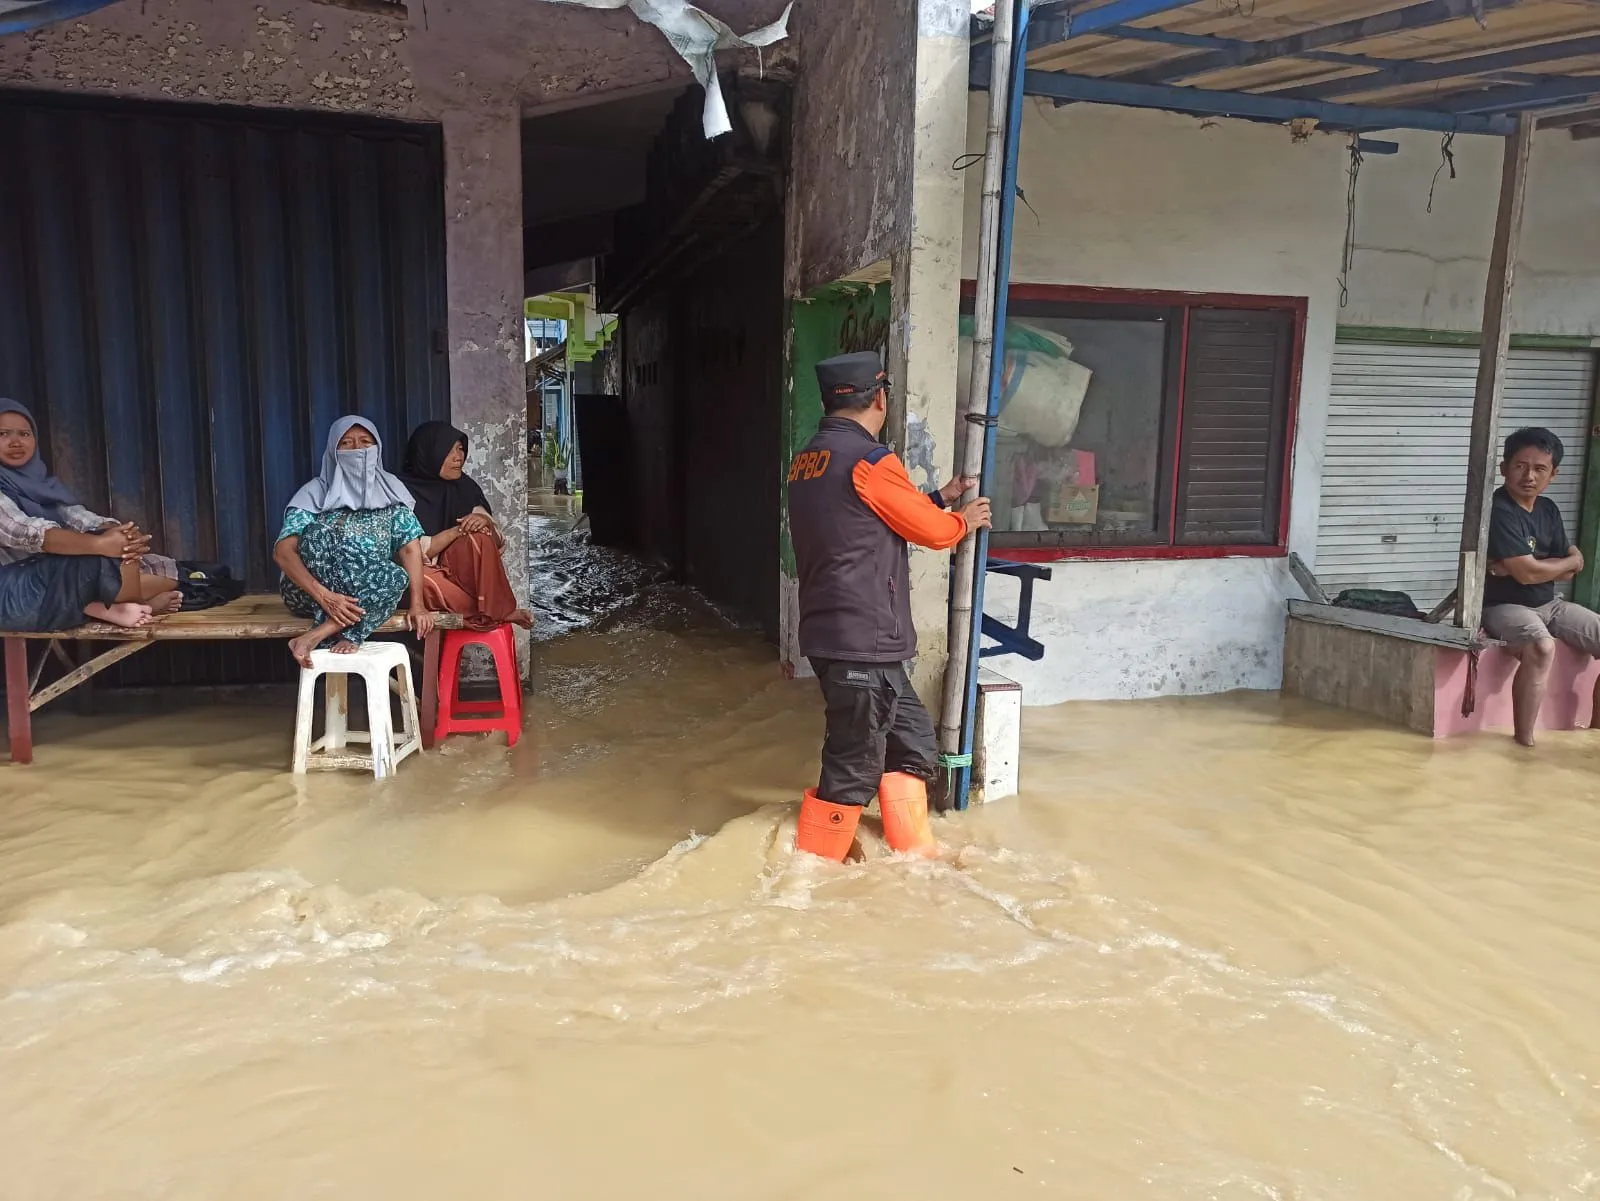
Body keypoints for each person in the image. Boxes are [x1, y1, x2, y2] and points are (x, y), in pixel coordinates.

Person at [786, 351, 992, 861]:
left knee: (913, 742)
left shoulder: (809, 459)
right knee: (853, 765)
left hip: (839, 634)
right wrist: (962, 519)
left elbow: (866, 515)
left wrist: (938, 497)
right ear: (879, 398)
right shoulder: (870, 460)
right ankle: (811, 876)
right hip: (863, 637)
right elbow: (934, 533)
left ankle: (913, 859)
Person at [0, 401, 179, 631]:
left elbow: (77, 516)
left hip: (47, 586)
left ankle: (108, 606)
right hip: (11, 596)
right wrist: (100, 544)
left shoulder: (40, 484)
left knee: (160, 565)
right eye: (3, 434)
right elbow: (27, 532)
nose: (16, 442)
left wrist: (120, 535)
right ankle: (118, 606)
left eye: (24, 434)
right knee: (91, 560)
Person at [274, 416, 435, 667]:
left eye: (365, 442)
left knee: (396, 577)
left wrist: (418, 604)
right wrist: (326, 596)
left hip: (365, 593)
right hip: (311, 594)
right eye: (346, 443)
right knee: (318, 534)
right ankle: (343, 627)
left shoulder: (391, 491)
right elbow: (283, 552)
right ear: (333, 451)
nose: (357, 449)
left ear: (377, 448)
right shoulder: (315, 492)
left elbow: (409, 550)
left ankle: (319, 633)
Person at [1481, 426, 1600, 747]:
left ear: (1553, 474)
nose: (1529, 476)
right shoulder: (1499, 510)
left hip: (1550, 603)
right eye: (1520, 466)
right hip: (1502, 606)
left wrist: (1553, 565)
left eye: (1539, 469)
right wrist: (1565, 561)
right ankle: (1524, 744)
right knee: (1541, 647)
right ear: (1504, 468)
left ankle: (1595, 736)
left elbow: (1567, 572)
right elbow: (1529, 574)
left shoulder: (1548, 509)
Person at [399, 420, 532, 631]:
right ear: (428, 453)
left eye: (460, 448)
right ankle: (498, 614)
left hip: (458, 574)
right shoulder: (398, 491)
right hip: (419, 572)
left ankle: (492, 612)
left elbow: (497, 542)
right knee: (421, 579)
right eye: (448, 450)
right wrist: (456, 531)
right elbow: (410, 551)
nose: (458, 457)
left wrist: (485, 522)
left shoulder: (464, 487)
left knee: (480, 535)